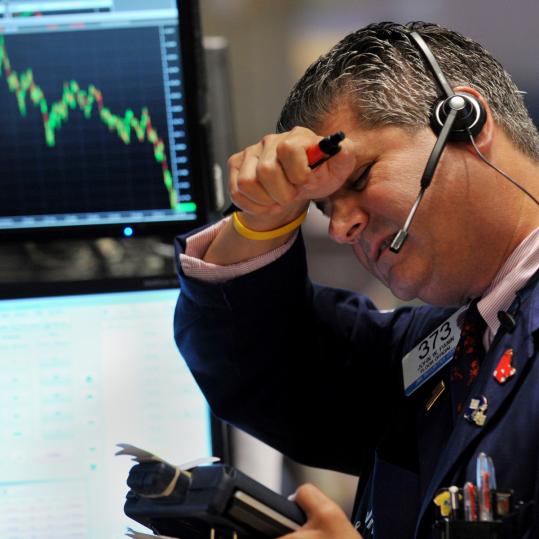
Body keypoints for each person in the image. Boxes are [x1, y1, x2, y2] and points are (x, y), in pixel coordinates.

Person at [174, 21, 539, 538]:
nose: (340, 228)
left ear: (464, 121)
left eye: (361, 177)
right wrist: (263, 220)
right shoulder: (460, 338)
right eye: (323, 208)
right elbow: (271, 374)